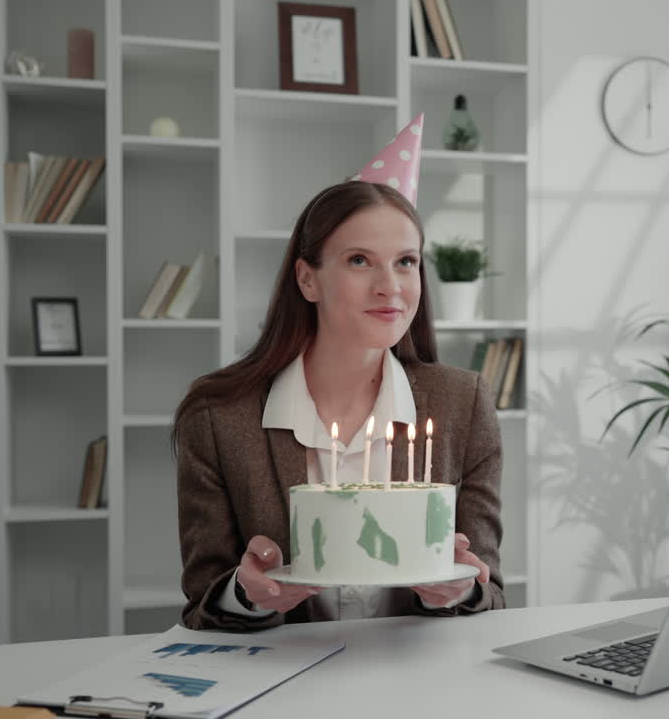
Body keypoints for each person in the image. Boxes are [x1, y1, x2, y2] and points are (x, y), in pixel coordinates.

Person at [171, 117, 503, 631]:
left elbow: (490, 596)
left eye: (407, 262)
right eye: (359, 261)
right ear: (308, 278)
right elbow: (202, 603)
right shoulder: (216, 417)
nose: (390, 287)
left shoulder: (465, 405)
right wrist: (247, 594)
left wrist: (457, 590)